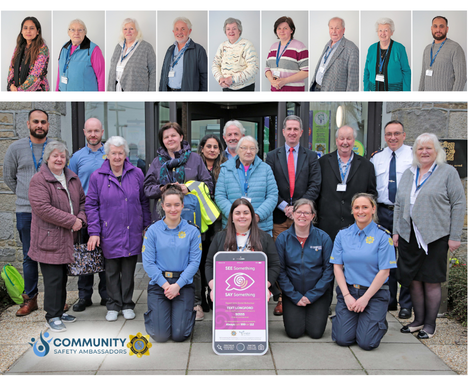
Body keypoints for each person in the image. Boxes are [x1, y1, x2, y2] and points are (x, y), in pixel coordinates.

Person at [393, 133, 466, 339]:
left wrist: (455, 236)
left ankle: (430, 326)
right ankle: (417, 321)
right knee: (414, 280)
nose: (424, 152)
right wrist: (397, 231)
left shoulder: (447, 172)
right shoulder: (409, 172)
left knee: (431, 281)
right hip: (409, 236)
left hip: (435, 235)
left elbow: (458, 204)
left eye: (428, 148)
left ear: (436, 151)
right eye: (420, 148)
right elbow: (399, 204)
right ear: (415, 152)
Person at [86, 136, 151, 321]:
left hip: (132, 230)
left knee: (129, 270)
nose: (116, 156)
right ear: (107, 155)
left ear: (125, 155)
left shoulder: (137, 173)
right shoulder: (97, 176)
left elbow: (144, 202)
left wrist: (146, 225)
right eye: (113, 153)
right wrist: (94, 231)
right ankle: (113, 305)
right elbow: (91, 205)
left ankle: (128, 303)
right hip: (109, 231)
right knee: (111, 271)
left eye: (120, 153)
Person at [266, 115, 321, 316]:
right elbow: (269, 185)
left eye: (295, 129)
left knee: (301, 257)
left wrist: (298, 208)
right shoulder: (272, 156)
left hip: (303, 217)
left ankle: (303, 294)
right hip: (279, 216)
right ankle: (282, 297)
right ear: (283, 132)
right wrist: (283, 206)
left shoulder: (312, 156)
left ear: (302, 132)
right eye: (288, 128)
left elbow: (315, 185)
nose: (292, 132)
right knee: (281, 258)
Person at [28, 141, 86, 332]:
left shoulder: (72, 177)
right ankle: (51, 316)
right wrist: (72, 221)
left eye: (62, 156)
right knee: (52, 278)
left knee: (61, 277)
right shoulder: (39, 180)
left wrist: (81, 219)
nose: (59, 159)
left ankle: (59, 312)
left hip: (67, 237)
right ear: (48, 159)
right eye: (55, 156)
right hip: (49, 238)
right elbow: (43, 209)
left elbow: (83, 202)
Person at [330, 193, 396, 350]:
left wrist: (366, 298)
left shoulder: (383, 236)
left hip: (374, 294)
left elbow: (385, 272)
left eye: (365, 207)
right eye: (357, 207)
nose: (361, 211)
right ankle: (356, 320)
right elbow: (337, 266)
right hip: (350, 292)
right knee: (342, 339)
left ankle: (377, 321)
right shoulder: (342, 235)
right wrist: (346, 296)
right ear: (352, 210)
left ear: (373, 209)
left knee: (367, 343)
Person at [3, 109, 50, 316]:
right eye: (36, 122)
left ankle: (54, 299)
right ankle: (30, 300)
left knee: (52, 257)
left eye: (43, 122)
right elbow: (9, 177)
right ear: (28, 124)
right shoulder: (16, 148)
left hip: (50, 212)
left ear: (48, 125)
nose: (39, 125)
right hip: (25, 211)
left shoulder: (55, 148)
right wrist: (26, 196)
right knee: (29, 256)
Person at [143, 184, 202, 342]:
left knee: (179, 335)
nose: (173, 209)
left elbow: (195, 262)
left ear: (183, 205)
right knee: (160, 336)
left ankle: (184, 314)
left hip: (183, 284)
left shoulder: (192, 231)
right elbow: (148, 263)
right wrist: (165, 285)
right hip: (159, 285)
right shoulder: (153, 231)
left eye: (177, 204)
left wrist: (177, 285)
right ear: (162, 206)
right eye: (168, 205)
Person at [370, 121, 413, 319]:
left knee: (404, 259)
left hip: (405, 213)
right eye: (389, 134)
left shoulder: (413, 156)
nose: (393, 137)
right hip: (382, 212)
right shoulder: (376, 158)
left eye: (397, 133)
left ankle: (406, 303)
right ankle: (389, 300)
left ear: (404, 135)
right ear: (384, 136)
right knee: (385, 258)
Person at [275, 199, 333, 339]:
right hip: (292, 293)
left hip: (317, 293)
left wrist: (312, 296)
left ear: (313, 216)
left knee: (316, 333)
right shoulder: (282, 239)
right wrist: (294, 296)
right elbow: (280, 271)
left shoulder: (323, 238)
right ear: (293, 214)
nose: (302, 216)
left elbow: (329, 271)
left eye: (307, 213)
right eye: (299, 212)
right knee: (294, 333)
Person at [205, 198, 281, 302]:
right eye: (237, 213)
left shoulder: (265, 238)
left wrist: (265, 285)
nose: (242, 216)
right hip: (226, 292)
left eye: (246, 213)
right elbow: (209, 264)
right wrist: (213, 286)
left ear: (252, 216)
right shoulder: (219, 237)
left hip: (255, 293)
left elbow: (275, 265)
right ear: (232, 216)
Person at [68, 118, 108, 312]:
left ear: (102, 132)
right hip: (85, 212)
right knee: (85, 255)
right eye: (89, 131)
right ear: (84, 132)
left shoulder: (110, 153)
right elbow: (71, 185)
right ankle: (84, 296)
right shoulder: (76, 157)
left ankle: (106, 295)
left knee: (106, 256)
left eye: (96, 131)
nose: (93, 134)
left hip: (107, 213)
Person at [316, 125, 377, 241]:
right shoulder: (322, 163)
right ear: (336, 141)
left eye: (348, 138)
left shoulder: (367, 166)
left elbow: (372, 195)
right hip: (327, 226)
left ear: (354, 141)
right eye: (341, 138)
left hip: (356, 226)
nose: (345, 142)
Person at [144, 122, 214, 220]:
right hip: (162, 218)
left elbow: (208, 185)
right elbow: (147, 189)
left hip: (190, 215)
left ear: (181, 137)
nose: (170, 139)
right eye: (166, 137)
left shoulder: (195, 159)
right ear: (163, 141)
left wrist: (188, 188)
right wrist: (163, 189)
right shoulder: (156, 162)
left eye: (173, 135)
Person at [215, 136, 278, 235]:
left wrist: (257, 215)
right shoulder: (225, 169)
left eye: (252, 148)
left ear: (256, 150)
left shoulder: (266, 169)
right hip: (233, 228)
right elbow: (219, 196)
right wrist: (234, 215)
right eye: (244, 148)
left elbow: (273, 196)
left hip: (261, 227)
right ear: (237, 150)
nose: (248, 151)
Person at [197, 134, 227, 312]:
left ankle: (213, 294)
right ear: (202, 148)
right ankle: (200, 296)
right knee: (200, 259)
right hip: (199, 218)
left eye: (215, 147)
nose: (212, 150)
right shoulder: (195, 165)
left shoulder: (224, 167)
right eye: (208, 146)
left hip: (218, 218)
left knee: (215, 256)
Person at [310, 17, 359, 91]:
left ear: (343, 30)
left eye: (337, 28)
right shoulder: (328, 45)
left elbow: (353, 84)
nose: (334, 31)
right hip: (316, 89)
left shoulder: (351, 49)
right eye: (331, 28)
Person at [419, 16, 467, 91]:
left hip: (445, 101)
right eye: (435, 26)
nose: (438, 29)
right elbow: (423, 76)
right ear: (431, 28)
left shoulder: (455, 48)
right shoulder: (427, 49)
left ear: (447, 29)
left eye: (441, 26)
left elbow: (461, 78)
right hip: (427, 100)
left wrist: (452, 100)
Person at [107, 18, 156, 91]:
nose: (128, 31)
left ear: (137, 31)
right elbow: (111, 71)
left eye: (131, 29)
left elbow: (154, 71)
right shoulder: (118, 46)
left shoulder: (146, 48)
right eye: (125, 29)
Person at [159, 17, 207, 91]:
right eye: (177, 29)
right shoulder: (170, 49)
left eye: (183, 29)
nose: (179, 32)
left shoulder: (199, 50)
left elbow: (205, 77)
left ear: (189, 31)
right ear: (173, 31)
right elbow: (163, 74)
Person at [56, 19, 105, 91]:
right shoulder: (64, 48)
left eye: (80, 30)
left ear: (85, 32)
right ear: (68, 32)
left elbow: (101, 77)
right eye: (73, 30)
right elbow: (59, 74)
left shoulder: (94, 50)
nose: (76, 33)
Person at [363, 18, 411, 91]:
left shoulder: (400, 48)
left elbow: (406, 71)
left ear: (391, 32)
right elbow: (366, 71)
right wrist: (366, 90)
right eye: (380, 30)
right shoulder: (371, 49)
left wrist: (406, 93)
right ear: (377, 32)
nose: (383, 33)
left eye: (386, 30)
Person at [212, 17, 259, 91]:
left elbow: (254, 68)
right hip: (227, 87)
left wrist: (233, 79)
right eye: (228, 29)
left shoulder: (247, 45)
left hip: (245, 88)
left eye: (234, 28)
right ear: (225, 31)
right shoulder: (222, 46)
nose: (231, 31)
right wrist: (220, 79)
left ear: (239, 30)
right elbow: (215, 65)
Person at [265, 16, 308, 91]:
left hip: (293, 92)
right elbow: (267, 68)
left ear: (292, 30)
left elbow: (306, 71)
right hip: (275, 91)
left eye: (285, 28)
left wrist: (285, 81)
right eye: (279, 28)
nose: (282, 31)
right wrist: (272, 81)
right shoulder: (273, 47)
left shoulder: (299, 46)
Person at [7, 16, 49, 91]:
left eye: (32, 28)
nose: (28, 31)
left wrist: (19, 90)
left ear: (37, 31)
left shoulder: (42, 49)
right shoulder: (19, 47)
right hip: (16, 89)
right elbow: (11, 68)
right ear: (21, 31)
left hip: (36, 91)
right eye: (25, 28)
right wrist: (11, 85)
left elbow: (35, 76)